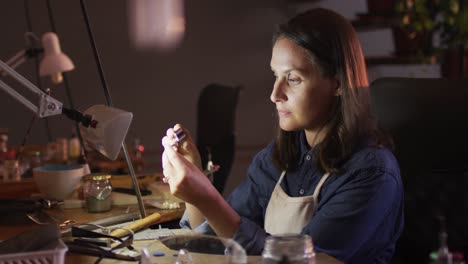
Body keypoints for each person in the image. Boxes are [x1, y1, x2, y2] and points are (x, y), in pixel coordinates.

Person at [161, 7, 404, 263]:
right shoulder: (277, 157)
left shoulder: (371, 173)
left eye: (293, 79)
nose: (275, 94)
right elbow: (216, 240)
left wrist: (207, 198)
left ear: (338, 83)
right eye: (276, 76)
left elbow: (300, 260)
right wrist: (196, 184)